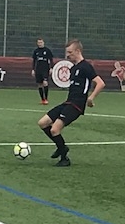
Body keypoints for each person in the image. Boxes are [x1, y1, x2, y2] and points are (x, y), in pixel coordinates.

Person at [37, 39, 105, 167]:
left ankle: (64, 158)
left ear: (78, 51)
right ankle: (61, 147)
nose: (68, 55)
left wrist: (91, 98)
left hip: (76, 105)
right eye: (67, 52)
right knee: (42, 123)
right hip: (68, 102)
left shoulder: (86, 66)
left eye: (70, 52)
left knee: (55, 129)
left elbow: (100, 83)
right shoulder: (73, 68)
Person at [31, 38, 54, 104]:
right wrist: (33, 69)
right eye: (39, 42)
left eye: (41, 42)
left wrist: (51, 68)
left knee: (45, 83)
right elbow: (34, 61)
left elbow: (51, 60)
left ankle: (46, 99)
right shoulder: (36, 51)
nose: (40, 44)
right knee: (39, 84)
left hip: (45, 69)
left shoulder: (47, 50)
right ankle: (42, 99)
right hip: (38, 69)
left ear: (43, 43)